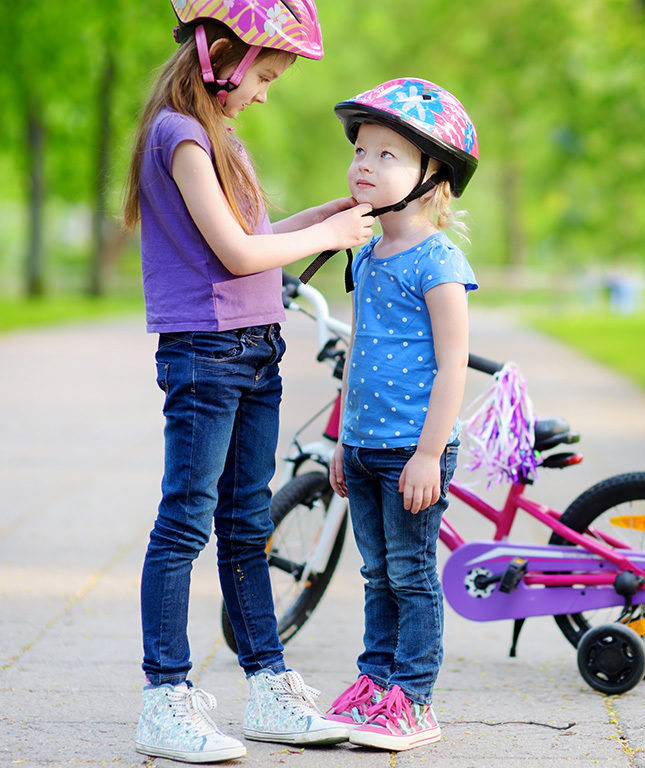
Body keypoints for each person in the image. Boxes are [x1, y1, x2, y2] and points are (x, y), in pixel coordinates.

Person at [121, 1, 374, 762]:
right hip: (205, 355)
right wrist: (328, 236)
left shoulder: (220, 138)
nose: (266, 91)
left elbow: (254, 241)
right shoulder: (182, 136)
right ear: (220, 56)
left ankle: (267, 684)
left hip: (256, 352)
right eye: (264, 74)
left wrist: (322, 216)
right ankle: (164, 697)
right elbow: (234, 255)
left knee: (244, 526)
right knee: (184, 524)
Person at [321, 78, 480, 752]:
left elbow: (453, 367)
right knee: (375, 573)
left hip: (414, 449)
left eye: (387, 155)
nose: (364, 163)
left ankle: (413, 701)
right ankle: (375, 681)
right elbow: (358, 352)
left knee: (411, 575)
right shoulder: (365, 255)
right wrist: (340, 438)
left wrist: (427, 454)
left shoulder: (439, 261)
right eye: (361, 149)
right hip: (363, 447)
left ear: (431, 174)